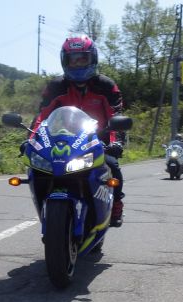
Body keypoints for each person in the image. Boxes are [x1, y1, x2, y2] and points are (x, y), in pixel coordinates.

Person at [31, 35, 127, 227]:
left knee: (112, 166)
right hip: (61, 142)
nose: (77, 64)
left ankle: (116, 205)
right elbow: (42, 116)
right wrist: (32, 139)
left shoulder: (106, 86)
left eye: (82, 59)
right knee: (37, 169)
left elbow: (115, 115)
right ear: (65, 61)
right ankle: (45, 210)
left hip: (97, 143)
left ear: (92, 58)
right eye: (73, 60)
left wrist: (116, 142)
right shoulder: (56, 86)